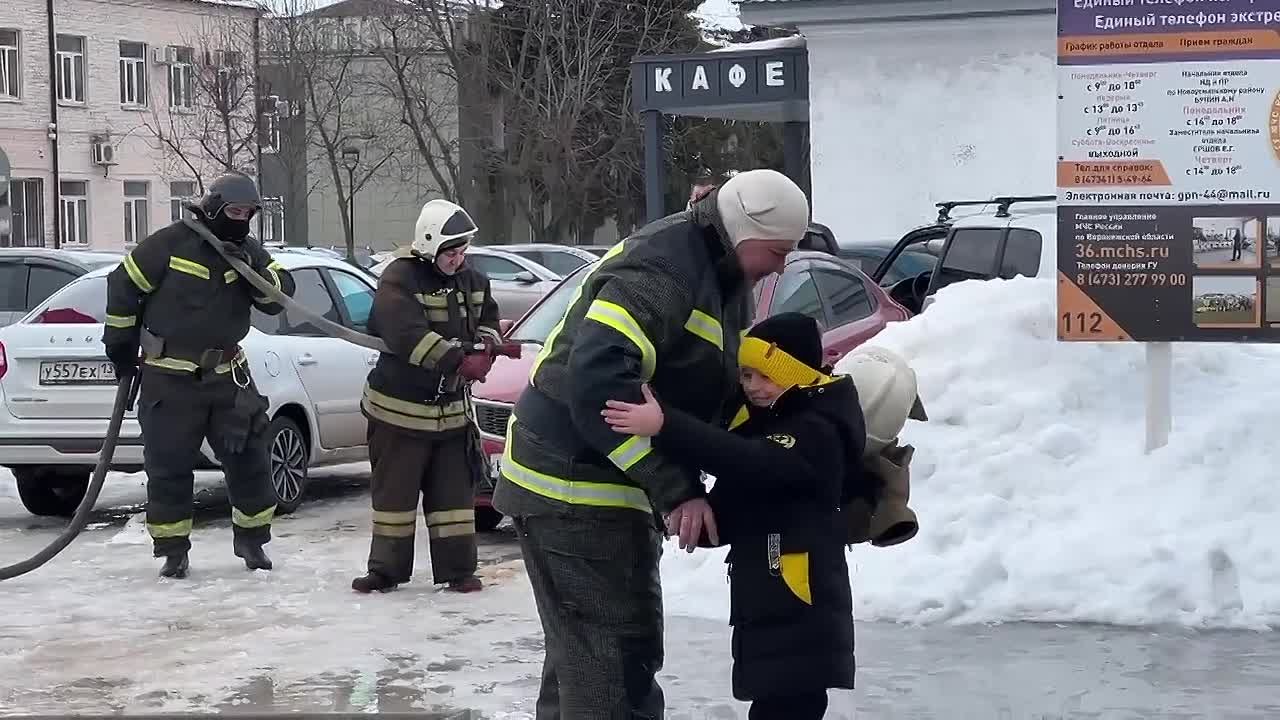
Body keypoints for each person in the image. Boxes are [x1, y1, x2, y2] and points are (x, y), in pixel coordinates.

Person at [491, 168, 811, 717]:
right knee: (614, 660)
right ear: (746, 231)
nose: (782, 266)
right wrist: (677, 489)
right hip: (571, 484)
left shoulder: (721, 272)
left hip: (591, 481)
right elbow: (598, 383)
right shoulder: (668, 266)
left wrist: (793, 432)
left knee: (587, 660)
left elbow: (710, 387)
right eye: (778, 251)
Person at [601, 312, 866, 720]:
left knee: (791, 705)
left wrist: (666, 425)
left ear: (796, 374)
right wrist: (696, 518)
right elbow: (740, 502)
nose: (753, 387)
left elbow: (751, 461)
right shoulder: (768, 423)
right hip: (768, 607)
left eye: (766, 376)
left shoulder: (817, 428)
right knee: (775, 706)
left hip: (800, 609)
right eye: (746, 375)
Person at [102, 172, 296, 578]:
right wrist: (120, 345)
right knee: (169, 468)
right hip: (169, 378)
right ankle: (173, 552)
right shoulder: (170, 244)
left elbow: (281, 294)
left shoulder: (247, 250)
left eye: (248, 214)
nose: (241, 220)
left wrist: (251, 269)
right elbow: (123, 284)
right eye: (234, 212)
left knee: (250, 460)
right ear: (213, 208)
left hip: (228, 377)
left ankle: (252, 542)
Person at [351, 199, 502, 595]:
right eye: (451, 252)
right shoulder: (399, 277)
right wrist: (457, 360)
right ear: (430, 243)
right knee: (394, 500)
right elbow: (404, 332)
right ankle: (385, 571)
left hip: (451, 415)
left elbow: (489, 320)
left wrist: (486, 349)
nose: (458, 259)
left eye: (462, 251)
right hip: (398, 414)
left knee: (454, 499)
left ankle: (459, 571)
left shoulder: (474, 280)